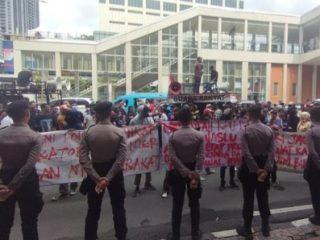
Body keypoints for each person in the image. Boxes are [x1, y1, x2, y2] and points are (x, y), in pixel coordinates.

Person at [79, 101, 127, 240]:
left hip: (96, 171)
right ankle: (121, 236)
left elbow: (83, 158)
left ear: (96, 114)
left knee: (93, 209)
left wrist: (97, 178)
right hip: (115, 174)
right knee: (118, 208)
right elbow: (120, 159)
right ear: (110, 113)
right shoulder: (118, 132)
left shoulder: (88, 132)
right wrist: (108, 178)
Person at [0, 100, 43, 240]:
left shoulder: (1, 134)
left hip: (4, 178)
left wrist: (3, 184)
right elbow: (29, 165)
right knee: (30, 222)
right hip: (27, 181)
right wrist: (13, 186)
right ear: (27, 114)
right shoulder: (34, 136)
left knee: (3, 223)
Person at [237, 104, 275, 239]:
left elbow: (246, 154)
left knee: (248, 198)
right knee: (263, 197)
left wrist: (256, 169)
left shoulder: (246, 131)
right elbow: (272, 152)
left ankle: (247, 228)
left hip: (250, 168)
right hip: (264, 165)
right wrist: (264, 169)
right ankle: (265, 227)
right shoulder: (268, 130)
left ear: (249, 114)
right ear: (260, 114)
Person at [167, 105, 204, 240]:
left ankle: (176, 235)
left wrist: (185, 172)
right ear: (191, 118)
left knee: (177, 204)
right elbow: (201, 156)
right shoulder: (199, 135)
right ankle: (195, 234)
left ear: (179, 119)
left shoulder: (173, 136)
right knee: (194, 203)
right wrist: (194, 173)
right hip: (193, 171)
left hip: (178, 172)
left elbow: (173, 157)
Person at [130, 105, 157, 197]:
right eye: (145, 112)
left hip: (147, 145)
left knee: (148, 164)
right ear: (140, 112)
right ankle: (137, 186)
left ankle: (147, 183)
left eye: (147, 112)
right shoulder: (133, 121)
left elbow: (153, 129)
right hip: (138, 147)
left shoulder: (149, 119)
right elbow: (130, 134)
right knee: (139, 166)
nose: (147, 114)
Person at [304, 106, 320, 226]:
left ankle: (317, 216)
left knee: (315, 192)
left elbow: (312, 151)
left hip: (315, 166)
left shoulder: (311, 131)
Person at [219, 108, 239, 191]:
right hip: (228, 146)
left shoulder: (221, 124)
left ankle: (223, 183)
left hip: (226, 146)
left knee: (225, 165)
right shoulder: (230, 124)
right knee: (230, 165)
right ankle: (230, 182)